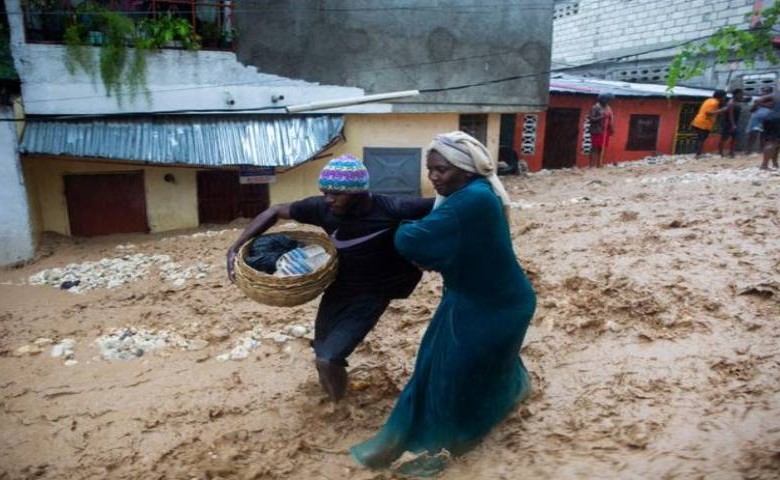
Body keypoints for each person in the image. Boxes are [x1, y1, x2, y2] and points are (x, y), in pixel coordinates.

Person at [350, 131, 537, 476]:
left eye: (441, 170)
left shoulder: (474, 199)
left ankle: (446, 445)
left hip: (499, 305)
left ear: (466, 170)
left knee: (454, 377)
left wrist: (399, 226)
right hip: (468, 297)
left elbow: (413, 240)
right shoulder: (470, 194)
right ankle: (398, 437)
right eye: (430, 170)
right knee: (431, 365)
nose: (433, 177)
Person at [226, 154, 434, 401]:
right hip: (339, 288)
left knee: (328, 359)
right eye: (324, 192)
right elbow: (275, 210)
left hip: (373, 294)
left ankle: (338, 411)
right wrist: (236, 246)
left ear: (359, 193)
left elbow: (449, 206)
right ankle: (337, 397)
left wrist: (430, 250)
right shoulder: (322, 209)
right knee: (320, 352)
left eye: (336, 194)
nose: (329, 199)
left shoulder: (393, 208)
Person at [691, 89, 728, 158]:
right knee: (701, 139)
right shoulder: (714, 103)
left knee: (700, 138)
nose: (724, 98)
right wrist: (721, 110)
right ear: (720, 97)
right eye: (724, 97)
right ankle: (698, 155)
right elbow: (708, 113)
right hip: (703, 123)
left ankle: (697, 153)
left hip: (698, 121)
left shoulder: (709, 100)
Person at [751, 87, 780, 170]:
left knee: (775, 142)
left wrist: (769, 106)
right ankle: (764, 165)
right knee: (773, 143)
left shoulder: (775, 94)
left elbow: (757, 101)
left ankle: (775, 163)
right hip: (778, 120)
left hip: (769, 118)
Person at [588, 92, 615, 168]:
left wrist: (611, 128)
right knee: (594, 148)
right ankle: (591, 165)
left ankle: (599, 164)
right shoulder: (595, 107)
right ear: (602, 100)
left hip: (605, 131)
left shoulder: (608, 108)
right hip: (597, 131)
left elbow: (610, 118)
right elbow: (591, 119)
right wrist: (602, 117)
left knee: (601, 148)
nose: (608, 101)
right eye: (607, 100)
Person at [718, 88, 744, 158]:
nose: (741, 96)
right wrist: (733, 125)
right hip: (728, 123)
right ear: (735, 95)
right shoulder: (731, 103)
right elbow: (730, 115)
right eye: (740, 94)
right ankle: (720, 153)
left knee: (734, 138)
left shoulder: (736, 102)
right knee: (724, 138)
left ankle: (731, 153)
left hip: (734, 123)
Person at [745, 86, 772, 154]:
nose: (765, 93)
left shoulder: (772, 100)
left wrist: (759, 103)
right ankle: (748, 151)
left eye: (767, 91)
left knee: (763, 135)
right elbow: (751, 110)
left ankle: (761, 150)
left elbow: (771, 107)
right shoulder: (758, 99)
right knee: (752, 134)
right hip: (755, 119)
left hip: (766, 120)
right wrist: (755, 105)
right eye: (764, 91)